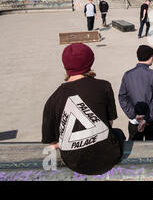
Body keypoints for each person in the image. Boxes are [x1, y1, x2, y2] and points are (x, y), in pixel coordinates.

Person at [41, 43, 125, 175]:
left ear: (65, 65)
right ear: (90, 61)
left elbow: (51, 140)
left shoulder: (53, 100)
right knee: (118, 133)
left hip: (75, 162)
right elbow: (109, 123)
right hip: (109, 157)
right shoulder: (104, 86)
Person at [118, 45, 153, 141]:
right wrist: (147, 118)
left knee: (135, 151)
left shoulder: (128, 74)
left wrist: (133, 115)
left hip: (135, 121)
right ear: (151, 57)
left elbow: (122, 97)